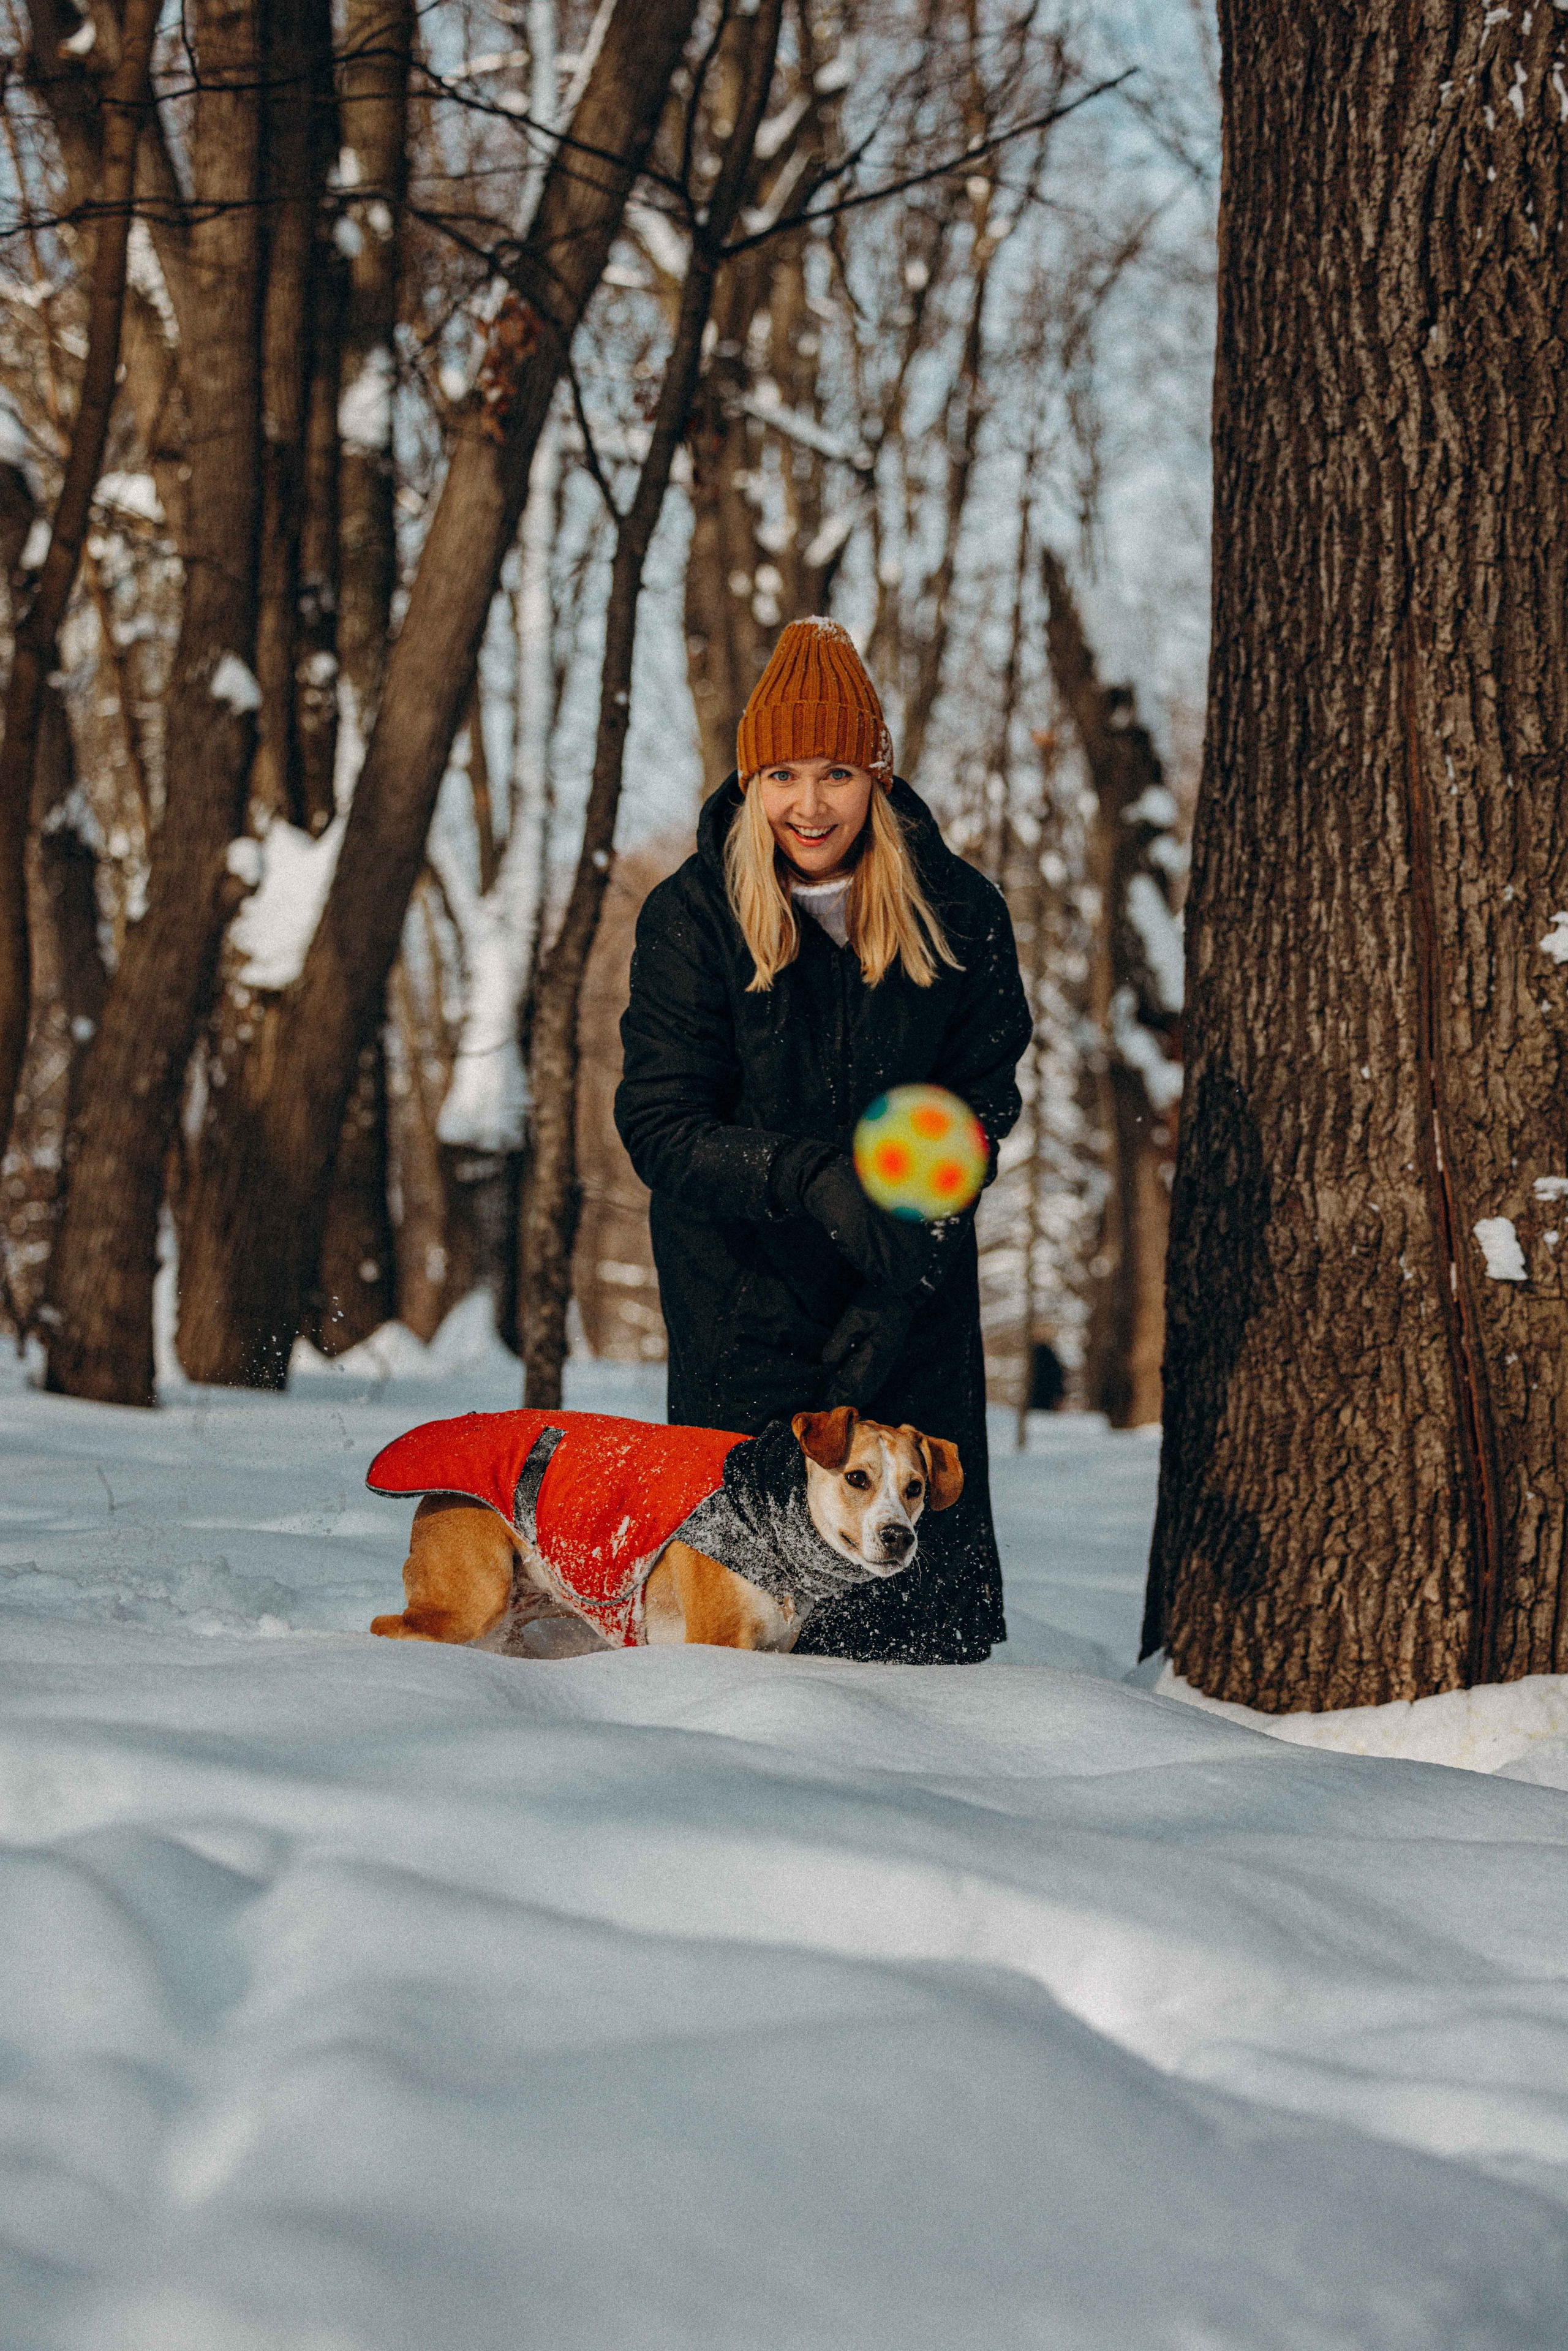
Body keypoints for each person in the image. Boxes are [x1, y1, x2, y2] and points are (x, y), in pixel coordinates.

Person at [614, 617, 1033, 1662]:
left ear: (878, 777)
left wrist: (904, 1269)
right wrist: (806, 1176)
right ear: (753, 779)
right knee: (747, 1639)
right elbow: (661, 1124)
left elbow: (982, 1101)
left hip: (909, 1292)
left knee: (915, 1637)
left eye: (838, 771)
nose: (811, 803)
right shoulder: (693, 916)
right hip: (744, 1305)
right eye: (786, 773)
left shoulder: (960, 911)